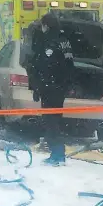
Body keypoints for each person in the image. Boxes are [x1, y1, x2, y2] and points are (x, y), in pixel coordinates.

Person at [27, 13, 74, 166]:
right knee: (54, 121)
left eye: (43, 25)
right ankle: (56, 153)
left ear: (46, 25)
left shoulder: (50, 42)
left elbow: (43, 67)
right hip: (56, 88)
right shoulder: (63, 41)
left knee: (51, 122)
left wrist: (37, 86)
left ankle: (57, 154)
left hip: (51, 88)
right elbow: (69, 66)